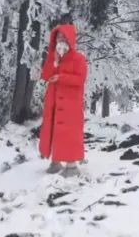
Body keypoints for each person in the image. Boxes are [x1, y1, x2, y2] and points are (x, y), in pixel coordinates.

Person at [38, 19, 88, 176]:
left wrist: (61, 77)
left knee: (69, 134)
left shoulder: (78, 58)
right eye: (58, 38)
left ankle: (72, 165)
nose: (61, 42)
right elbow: (46, 75)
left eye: (64, 38)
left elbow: (79, 80)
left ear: (70, 40)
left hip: (71, 105)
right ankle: (55, 161)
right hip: (54, 103)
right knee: (53, 130)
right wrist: (53, 62)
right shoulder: (54, 58)